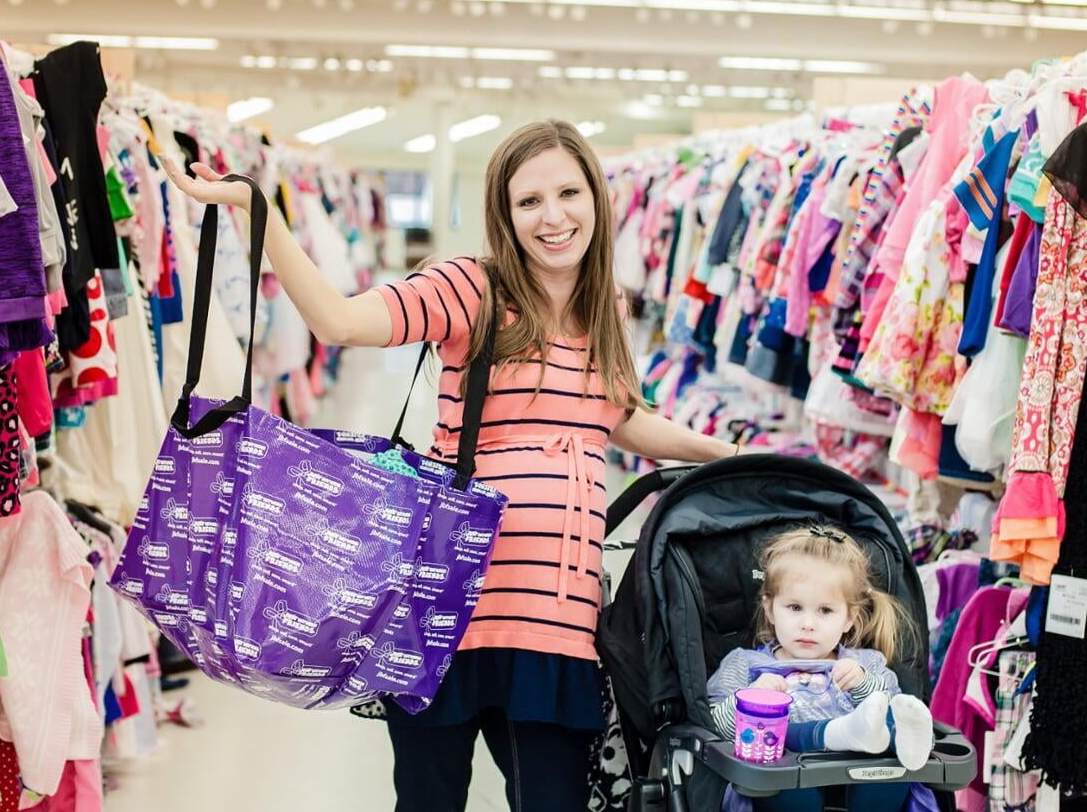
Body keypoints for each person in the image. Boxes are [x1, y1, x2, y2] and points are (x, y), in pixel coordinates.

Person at [161, 118, 738, 812]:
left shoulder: (601, 310)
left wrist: (726, 454)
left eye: (568, 193)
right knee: (429, 800)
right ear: (504, 211)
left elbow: (615, 413)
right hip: (443, 606)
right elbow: (341, 324)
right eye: (529, 201)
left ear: (597, 199)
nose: (553, 217)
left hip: (557, 617)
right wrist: (260, 213)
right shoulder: (472, 286)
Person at [705, 527, 935, 812]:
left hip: (862, 785)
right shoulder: (744, 664)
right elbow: (714, 730)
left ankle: (906, 744)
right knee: (780, 772)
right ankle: (841, 732)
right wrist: (752, 698)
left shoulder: (866, 663)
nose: (808, 623)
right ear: (770, 609)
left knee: (892, 744)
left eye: (825, 611)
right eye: (794, 607)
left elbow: (893, 707)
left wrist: (862, 684)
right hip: (790, 786)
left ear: (849, 618)